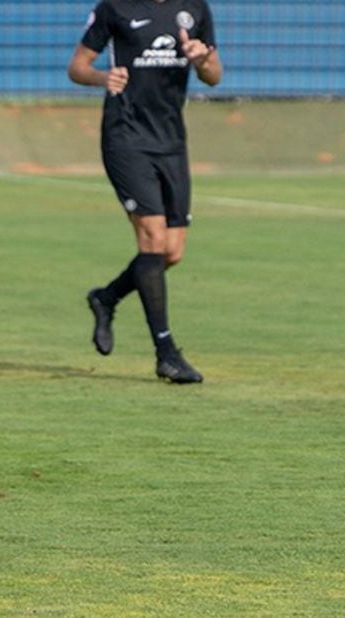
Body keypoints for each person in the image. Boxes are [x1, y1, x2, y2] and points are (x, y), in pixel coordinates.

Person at [67, 0, 222, 383]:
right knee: (152, 239)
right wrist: (103, 79)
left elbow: (214, 75)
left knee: (171, 252)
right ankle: (167, 354)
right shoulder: (115, 8)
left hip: (171, 141)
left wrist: (201, 59)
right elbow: (77, 67)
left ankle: (106, 297)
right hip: (126, 138)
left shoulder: (195, 9)